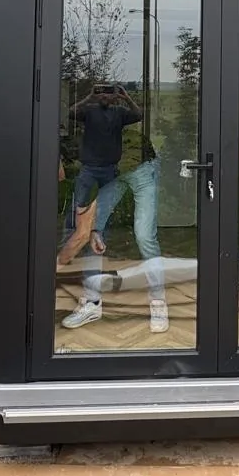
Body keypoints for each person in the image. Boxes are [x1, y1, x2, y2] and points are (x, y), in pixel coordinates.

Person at [59, 83, 169, 335]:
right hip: (113, 175)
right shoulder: (91, 112)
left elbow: (140, 115)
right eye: (103, 91)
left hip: (141, 172)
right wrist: (91, 97)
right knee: (93, 232)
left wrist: (125, 97)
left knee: (144, 236)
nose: (107, 94)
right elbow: (72, 115)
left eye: (111, 91)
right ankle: (92, 303)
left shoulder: (125, 113)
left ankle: (158, 302)